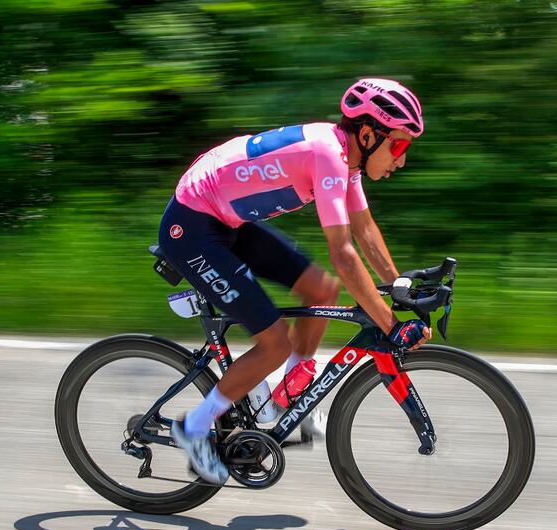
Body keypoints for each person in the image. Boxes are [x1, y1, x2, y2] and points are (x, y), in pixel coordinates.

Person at [159, 77, 432, 484]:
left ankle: (283, 396)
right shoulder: (329, 154)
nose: (402, 159)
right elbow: (343, 252)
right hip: (193, 225)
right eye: (399, 145)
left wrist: (398, 292)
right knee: (274, 343)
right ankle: (194, 428)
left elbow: (365, 230)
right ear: (370, 134)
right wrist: (390, 325)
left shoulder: (348, 157)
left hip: (226, 218)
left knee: (322, 289)